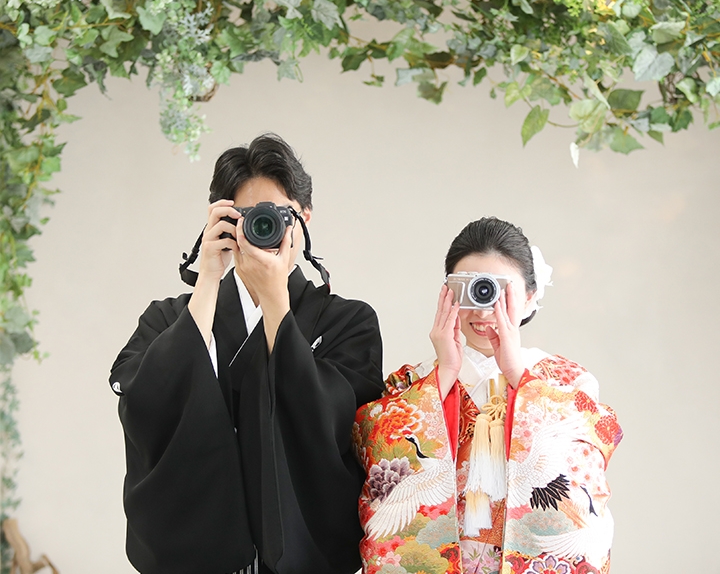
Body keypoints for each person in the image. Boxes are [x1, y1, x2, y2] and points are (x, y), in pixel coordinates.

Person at [109, 134, 384, 574]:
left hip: (303, 560)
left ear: (304, 218)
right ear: (220, 221)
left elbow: (331, 423)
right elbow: (144, 403)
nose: (262, 228)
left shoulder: (348, 321)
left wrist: (276, 303)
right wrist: (207, 279)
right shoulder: (169, 318)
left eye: (277, 214)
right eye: (245, 216)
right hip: (197, 558)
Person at [353, 217, 622, 574]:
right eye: (471, 288)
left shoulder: (567, 381)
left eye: (500, 292)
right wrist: (443, 377)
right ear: (448, 293)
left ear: (529, 296)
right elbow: (380, 468)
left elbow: (580, 488)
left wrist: (518, 377)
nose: (483, 310)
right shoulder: (411, 383)